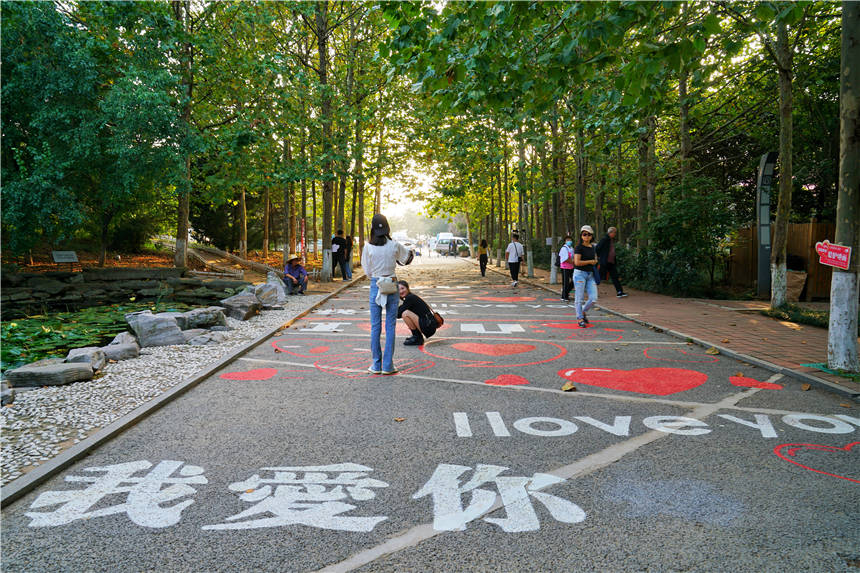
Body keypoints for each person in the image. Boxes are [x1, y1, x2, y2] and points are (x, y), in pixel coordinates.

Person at [361, 214, 413, 375]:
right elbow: (406, 259)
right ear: (388, 228)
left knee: (375, 326)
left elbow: (367, 271)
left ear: (372, 230)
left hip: (376, 284)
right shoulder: (394, 245)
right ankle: (388, 365)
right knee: (390, 325)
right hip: (392, 284)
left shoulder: (368, 247)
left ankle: (376, 364)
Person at [397, 280, 437, 346]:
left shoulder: (410, 298)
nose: (401, 291)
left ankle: (417, 338)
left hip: (428, 326)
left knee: (405, 314)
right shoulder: (410, 297)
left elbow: (398, 314)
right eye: (398, 290)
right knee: (405, 313)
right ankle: (417, 336)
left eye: (403, 288)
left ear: (407, 288)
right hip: (428, 324)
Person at [573, 225, 599, 328]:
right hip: (580, 274)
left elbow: (595, 258)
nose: (586, 236)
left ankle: (583, 312)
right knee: (579, 298)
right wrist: (590, 262)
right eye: (584, 234)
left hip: (590, 275)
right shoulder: (578, 247)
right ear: (581, 235)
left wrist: (595, 261)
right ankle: (579, 318)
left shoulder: (593, 247)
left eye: (589, 234)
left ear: (592, 236)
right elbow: (577, 262)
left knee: (593, 298)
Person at [595, 226, 628, 298]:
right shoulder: (604, 239)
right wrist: (600, 257)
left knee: (615, 276)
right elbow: (597, 248)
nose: (615, 234)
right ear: (610, 232)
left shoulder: (611, 240)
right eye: (614, 232)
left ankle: (620, 292)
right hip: (605, 262)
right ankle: (591, 291)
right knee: (599, 277)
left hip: (611, 262)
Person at [559, 235, 575, 302]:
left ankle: (565, 292)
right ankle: (564, 296)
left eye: (570, 240)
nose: (569, 241)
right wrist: (573, 262)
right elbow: (565, 259)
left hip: (571, 267)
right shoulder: (564, 248)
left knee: (574, 280)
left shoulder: (571, 248)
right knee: (566, 282)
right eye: (567, 240)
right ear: (565, 241)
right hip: (565, 267)